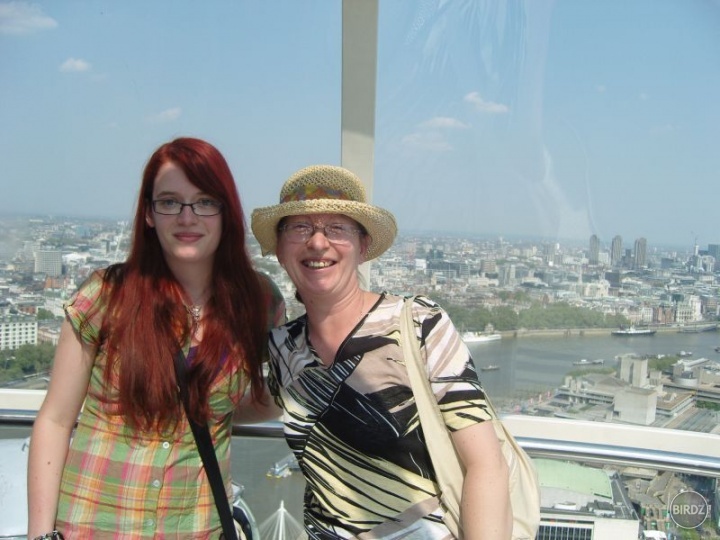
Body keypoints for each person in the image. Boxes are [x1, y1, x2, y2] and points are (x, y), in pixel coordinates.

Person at [27, 137, 285, 538]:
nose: (187, 217)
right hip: (95, 524)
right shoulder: (107, 295)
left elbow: (261, 400)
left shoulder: (258, 303)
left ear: (226, 212)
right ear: (149, 213)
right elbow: (56, 419)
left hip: (195, 526)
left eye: (204, 201)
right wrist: (40, 535)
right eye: (169, 202)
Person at [251, 165, 512, 539]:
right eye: (300, 228)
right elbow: (253, 403)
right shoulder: (282, 347)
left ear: (362, 246)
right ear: (279, 249)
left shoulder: (418, 324)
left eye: (337, 228)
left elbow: (486, 466)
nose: (318, 242)